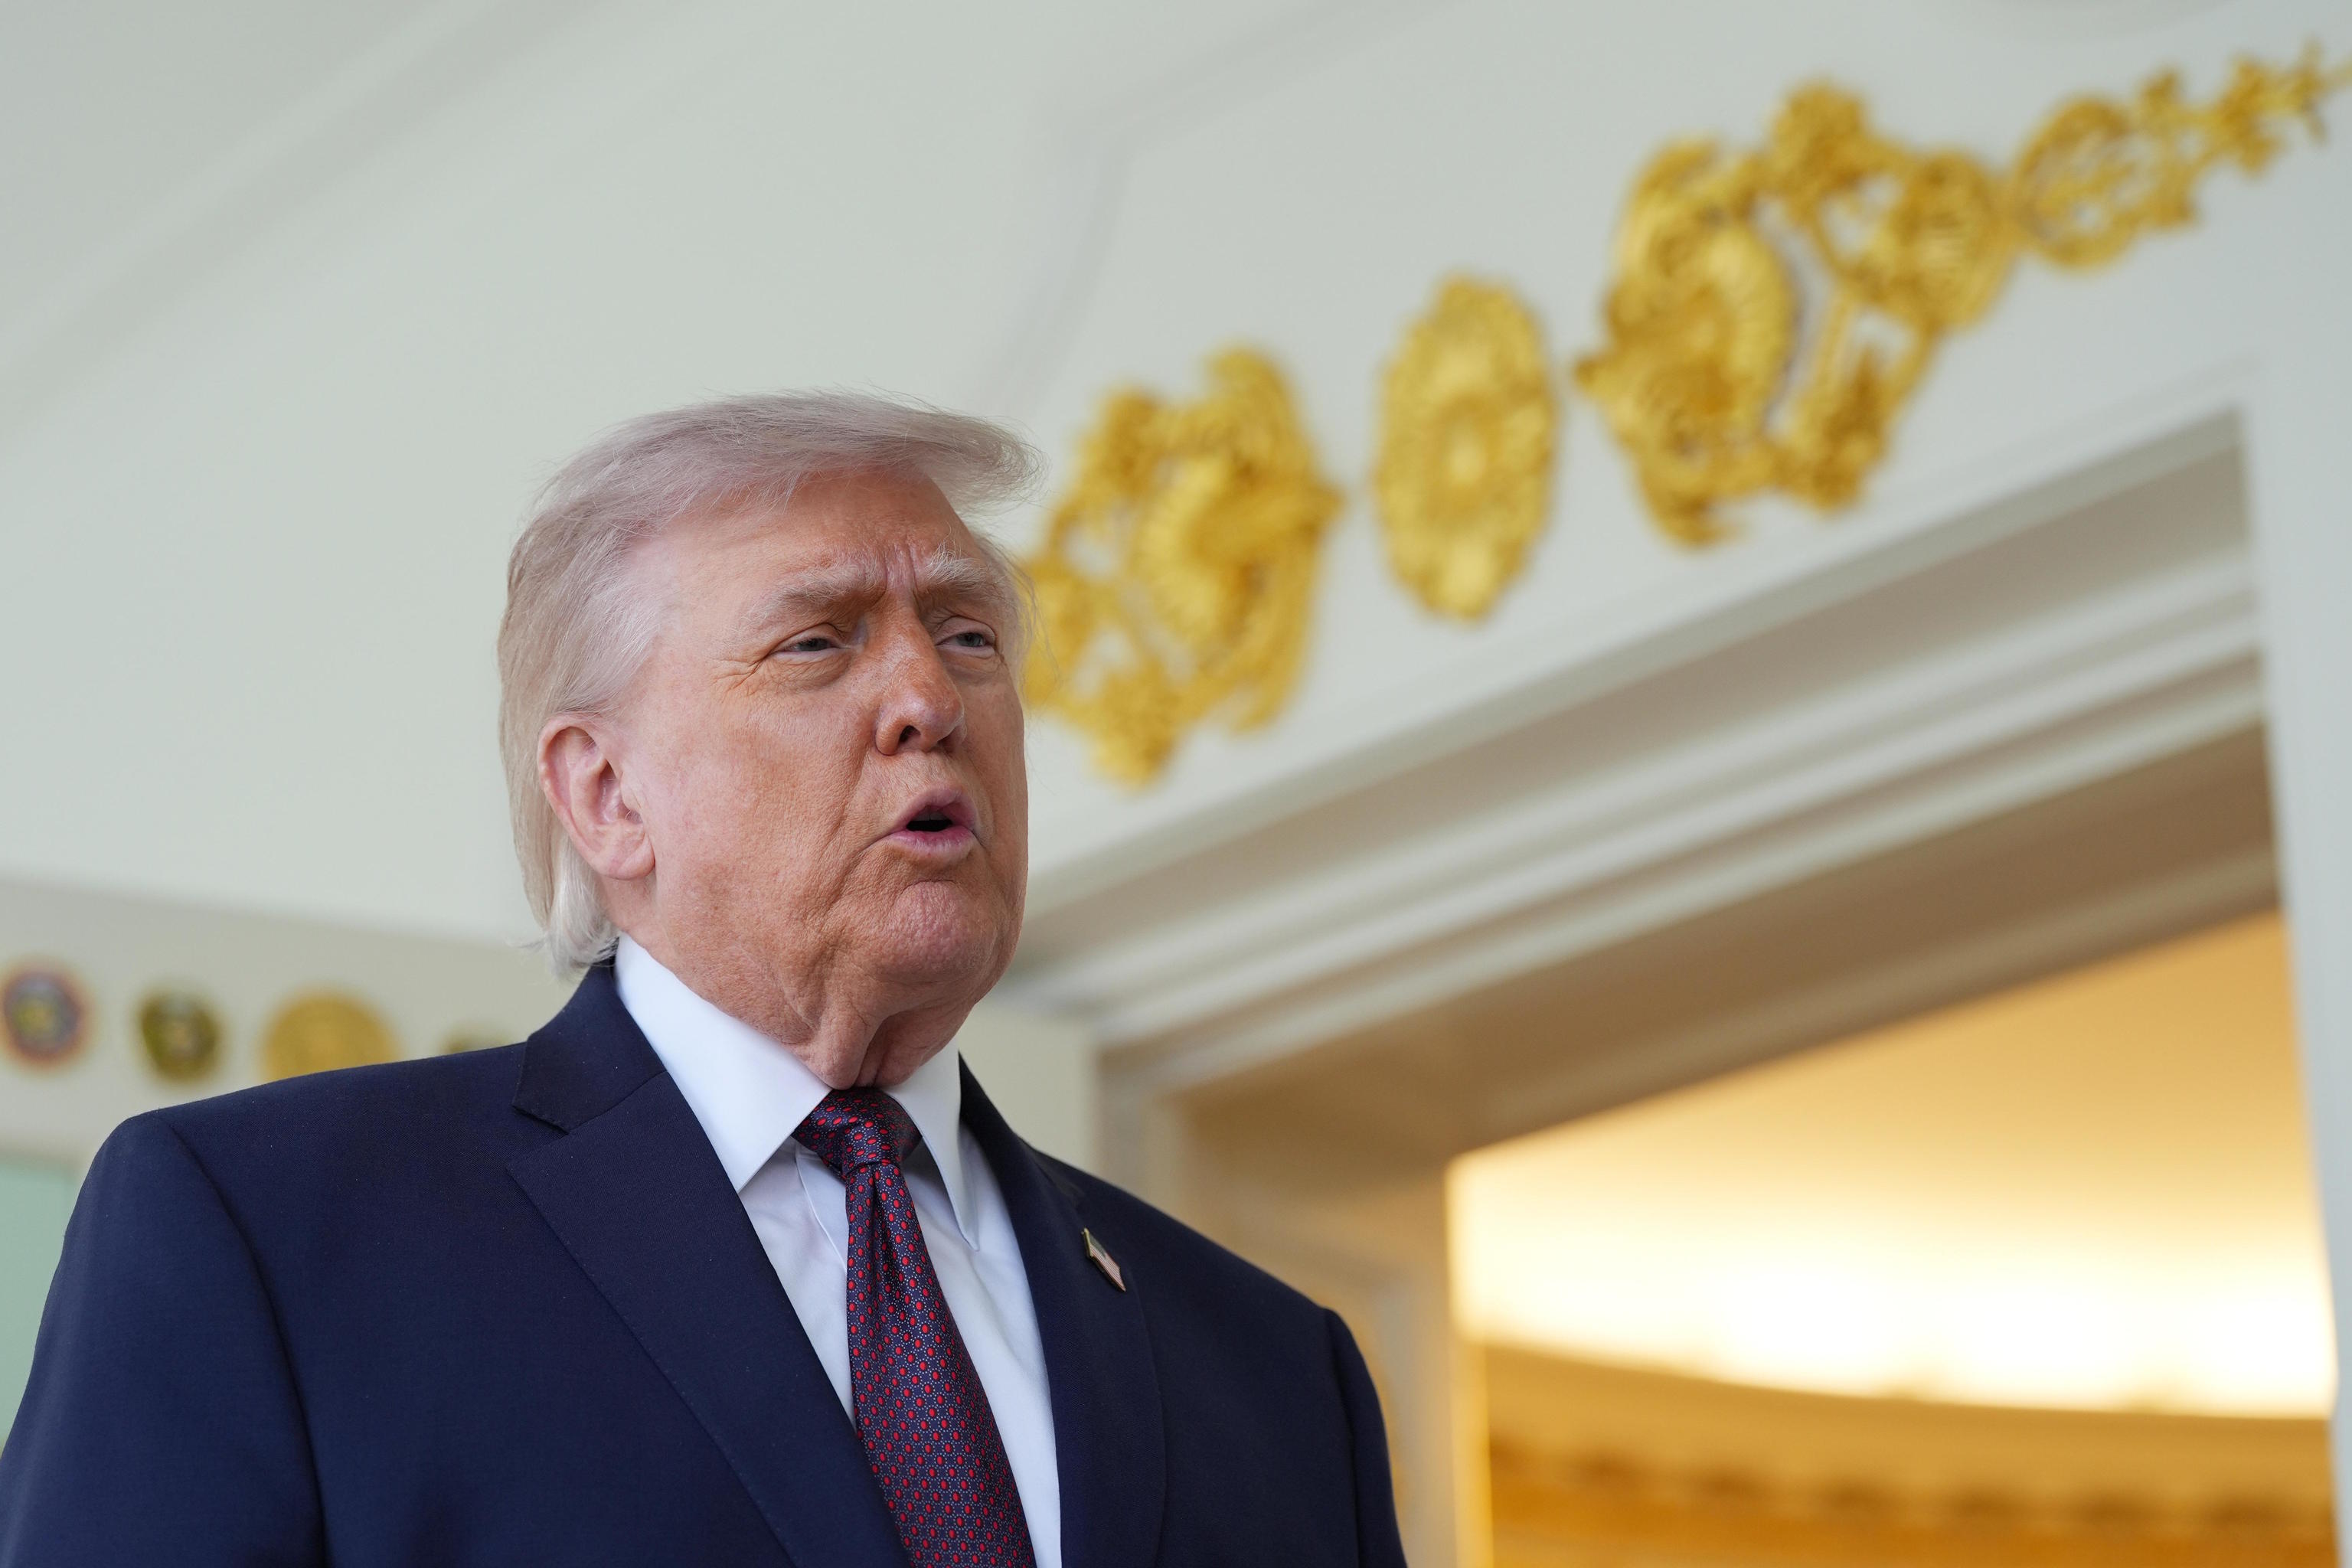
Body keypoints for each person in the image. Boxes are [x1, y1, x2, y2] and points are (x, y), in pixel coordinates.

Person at [0, 394, 1408, 1567]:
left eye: (969, 634)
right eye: (819, 642)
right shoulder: (270, 1239)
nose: (929, 698)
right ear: (606, 795)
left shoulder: (1279, 1376)